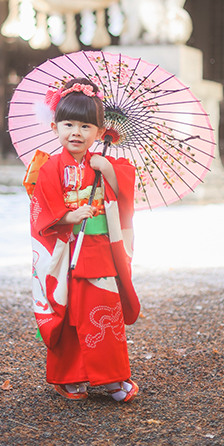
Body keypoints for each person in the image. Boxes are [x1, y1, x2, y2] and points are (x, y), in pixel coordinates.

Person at [24, 77, 140, 402]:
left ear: (100, 133)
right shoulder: (48, 168)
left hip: (99, 249)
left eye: (86, 126)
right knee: (69, 315)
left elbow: (127, 191)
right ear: (54, 126)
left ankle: (114, 378)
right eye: (68, 123)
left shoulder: (105, 164)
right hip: (66, 249)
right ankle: (70, 376)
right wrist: (67, 217)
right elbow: (43, 207)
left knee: (105, 311)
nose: (76, 132)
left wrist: (109, 171)